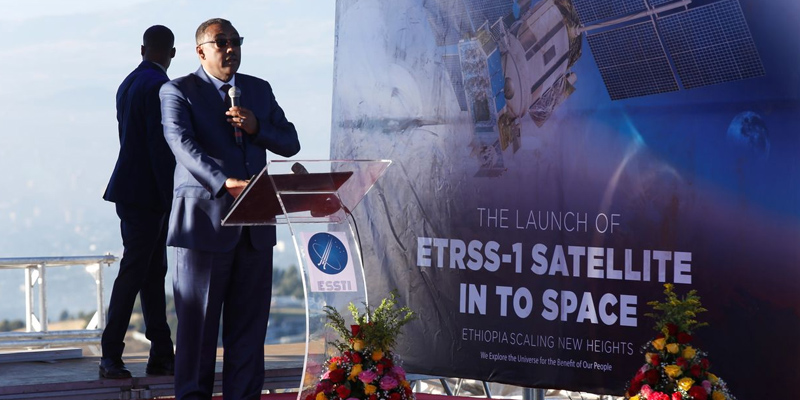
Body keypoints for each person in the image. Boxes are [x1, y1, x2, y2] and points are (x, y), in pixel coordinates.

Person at [159, 18, 301, 399]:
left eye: (235, 41)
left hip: (255, 230)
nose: (230, 48)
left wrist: (257, 128)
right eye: (220, 42)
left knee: (249, 336)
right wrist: (224, 183)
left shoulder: (258, 89)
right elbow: (182, 144)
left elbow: (290, 142)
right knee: (198, 336)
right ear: (200, 51)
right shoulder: (177, 91)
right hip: (203, 230)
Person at [101, 25, 177, 379]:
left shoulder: (128, 83)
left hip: (129, 190)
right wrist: (171, 197)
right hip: (150, 193)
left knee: (148, 272)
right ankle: (111, 356)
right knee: (138, 272)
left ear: (143, 49)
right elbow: (160, 148)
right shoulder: (161, 87)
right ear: (172, 53)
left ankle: (161, 352)